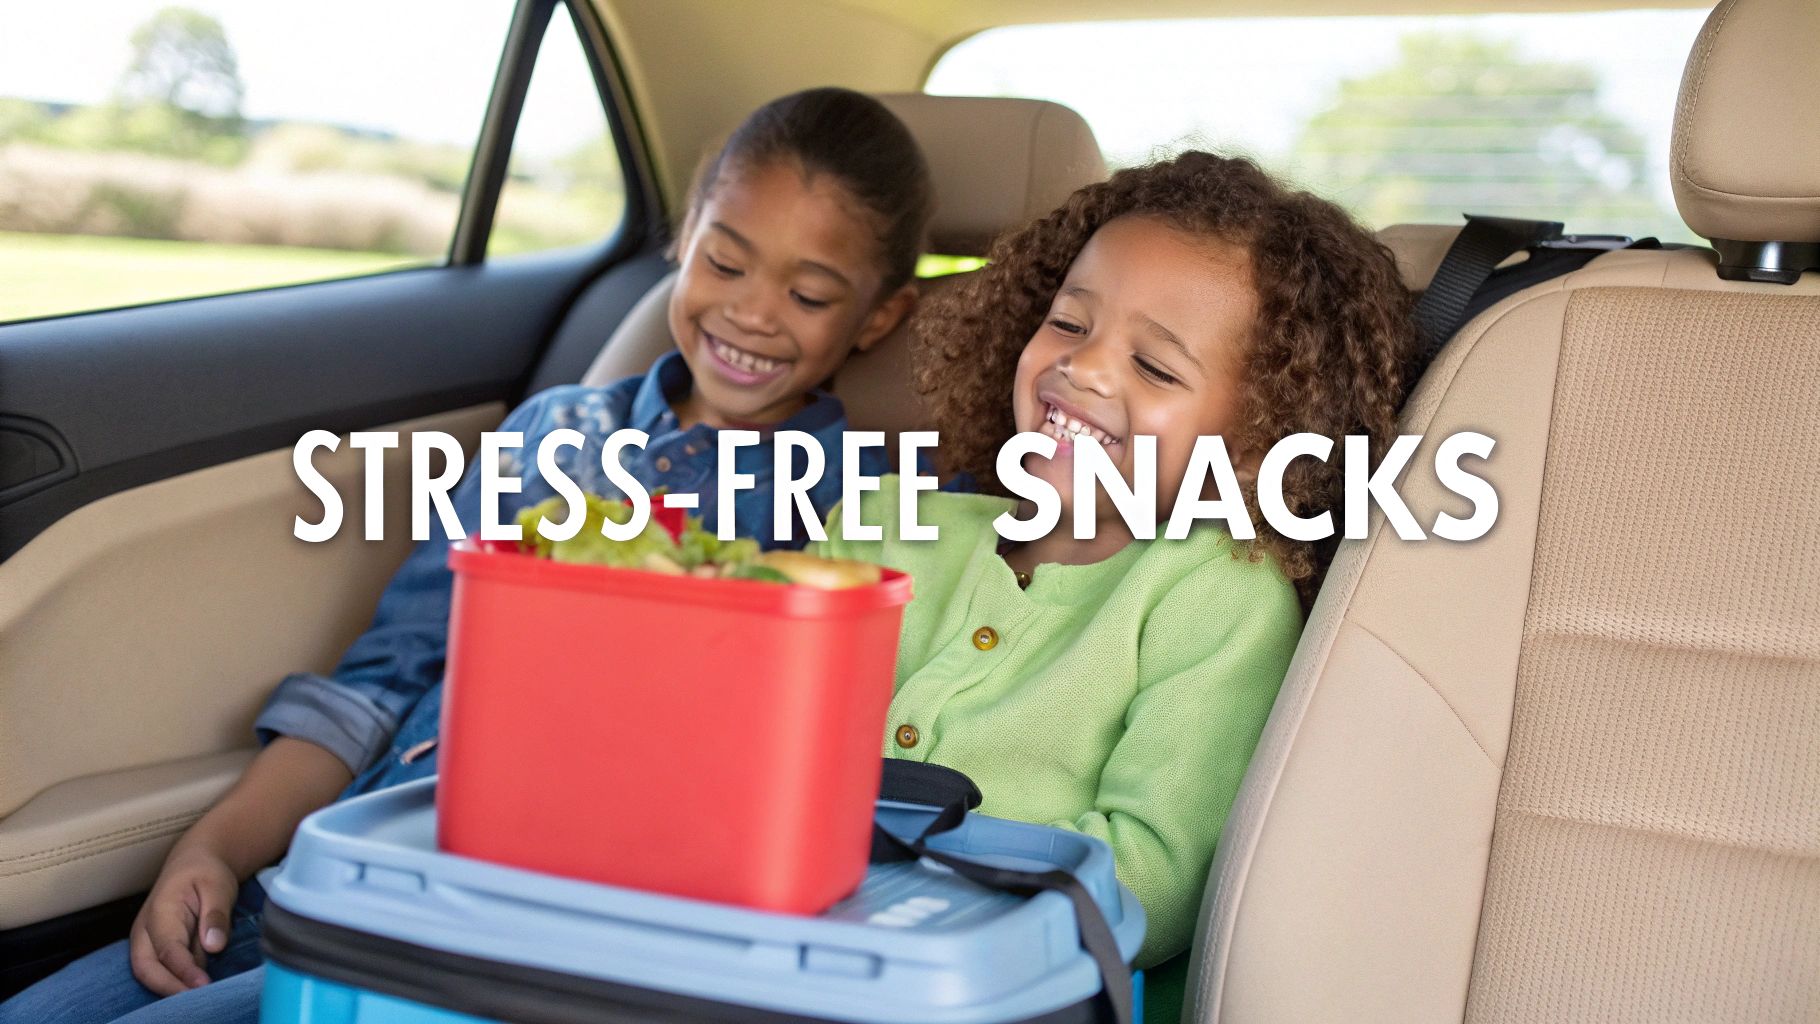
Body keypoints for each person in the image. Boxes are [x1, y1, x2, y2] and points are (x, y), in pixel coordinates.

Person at [0, 86, 934, 1024]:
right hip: (331, 870)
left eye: (809, 295)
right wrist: (218, 847)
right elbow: (382, 680)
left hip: (506, 934)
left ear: (879, 317)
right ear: (687, 236)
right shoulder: (552, 433)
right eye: (726, 262)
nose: (754, 314)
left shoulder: (855, 514)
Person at [815, 151, 1416, 1022]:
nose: (1086, 370)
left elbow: (1151, 883)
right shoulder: (884, 523)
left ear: (1257, 441)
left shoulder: (1213, 597)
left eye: (1158, 368)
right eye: (1068, 323)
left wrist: (893, 871)